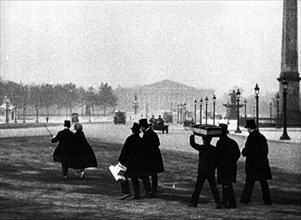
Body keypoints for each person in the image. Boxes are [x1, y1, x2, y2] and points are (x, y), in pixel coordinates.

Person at [240, 119, 272, 205]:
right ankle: (267, 200)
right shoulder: (262, 137)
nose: (247, 130)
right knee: (263, 183)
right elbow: (265, 151)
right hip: (262, 164)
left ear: (250, 128)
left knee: (249, 183)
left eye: (248, 128)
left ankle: (245, 199)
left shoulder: (251, 137)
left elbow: (248, 150)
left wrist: (243, 152)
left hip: (253, 165)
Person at [188, 133, 222, 209]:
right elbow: (217, 161)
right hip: (210, 171)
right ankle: (218, 203)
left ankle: (193, 202)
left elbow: (192, 144)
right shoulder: (214, 149)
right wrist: (214, 167)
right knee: (214, 188)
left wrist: (192, 135)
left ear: (203, 140)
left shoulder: (202, 148)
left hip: (202, 170)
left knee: (198, 188)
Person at [216, 124, 240, 208]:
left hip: (223, 167)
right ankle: (226, 201)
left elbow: (217, 155)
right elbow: (237, 154)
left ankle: (230, 202)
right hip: (231, 166)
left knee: (226, 185)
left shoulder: (219, 143)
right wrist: (232, 162)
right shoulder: (233, 142)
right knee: (228, 184)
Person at [118, 122, 145, 200]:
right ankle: (136, 194)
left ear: (133, 130)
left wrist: (121, 161)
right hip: (137, 162)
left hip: (128, 162)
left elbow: (124, 151)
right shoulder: (140, 139)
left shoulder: (130, 139)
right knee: (135, 178)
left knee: (123, 176)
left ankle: (126, 192)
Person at [139, 118, 164, 198]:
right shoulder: (153, 133)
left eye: (141, 127)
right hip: (155, 157)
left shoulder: (146, 135)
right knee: (154, 175)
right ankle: (154, 191)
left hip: (148, 158)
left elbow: (144, 146)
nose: (141, 129)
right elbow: (157, 143)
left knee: (144, 174)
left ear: (143, 127)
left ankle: (148, 190)